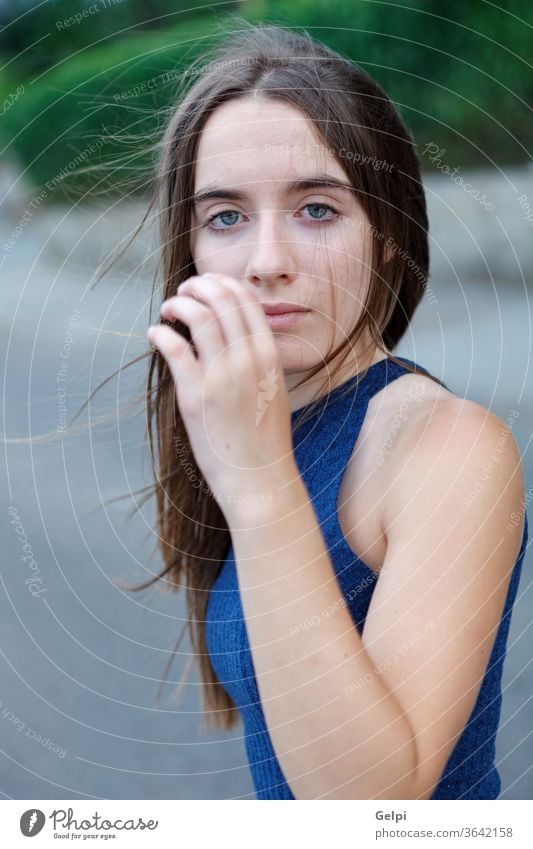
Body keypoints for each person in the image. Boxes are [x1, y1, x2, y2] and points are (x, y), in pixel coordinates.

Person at [143, 21, 528, 799]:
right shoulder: (255, 419)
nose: (266, 261)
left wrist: (258, 485)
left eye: (316, 208)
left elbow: (366, 803)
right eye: (226, 217)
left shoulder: (448, 448)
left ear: (387, 232)